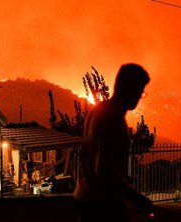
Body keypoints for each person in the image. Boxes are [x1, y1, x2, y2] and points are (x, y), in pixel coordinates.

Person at [74, 63, 153, 222]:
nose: (139, 96)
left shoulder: (96, 111)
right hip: (103, 203)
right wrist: (135, 197)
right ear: (127, 88)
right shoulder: (113, 120)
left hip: (84, 197)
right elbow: (104, 169)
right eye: (139, 91)